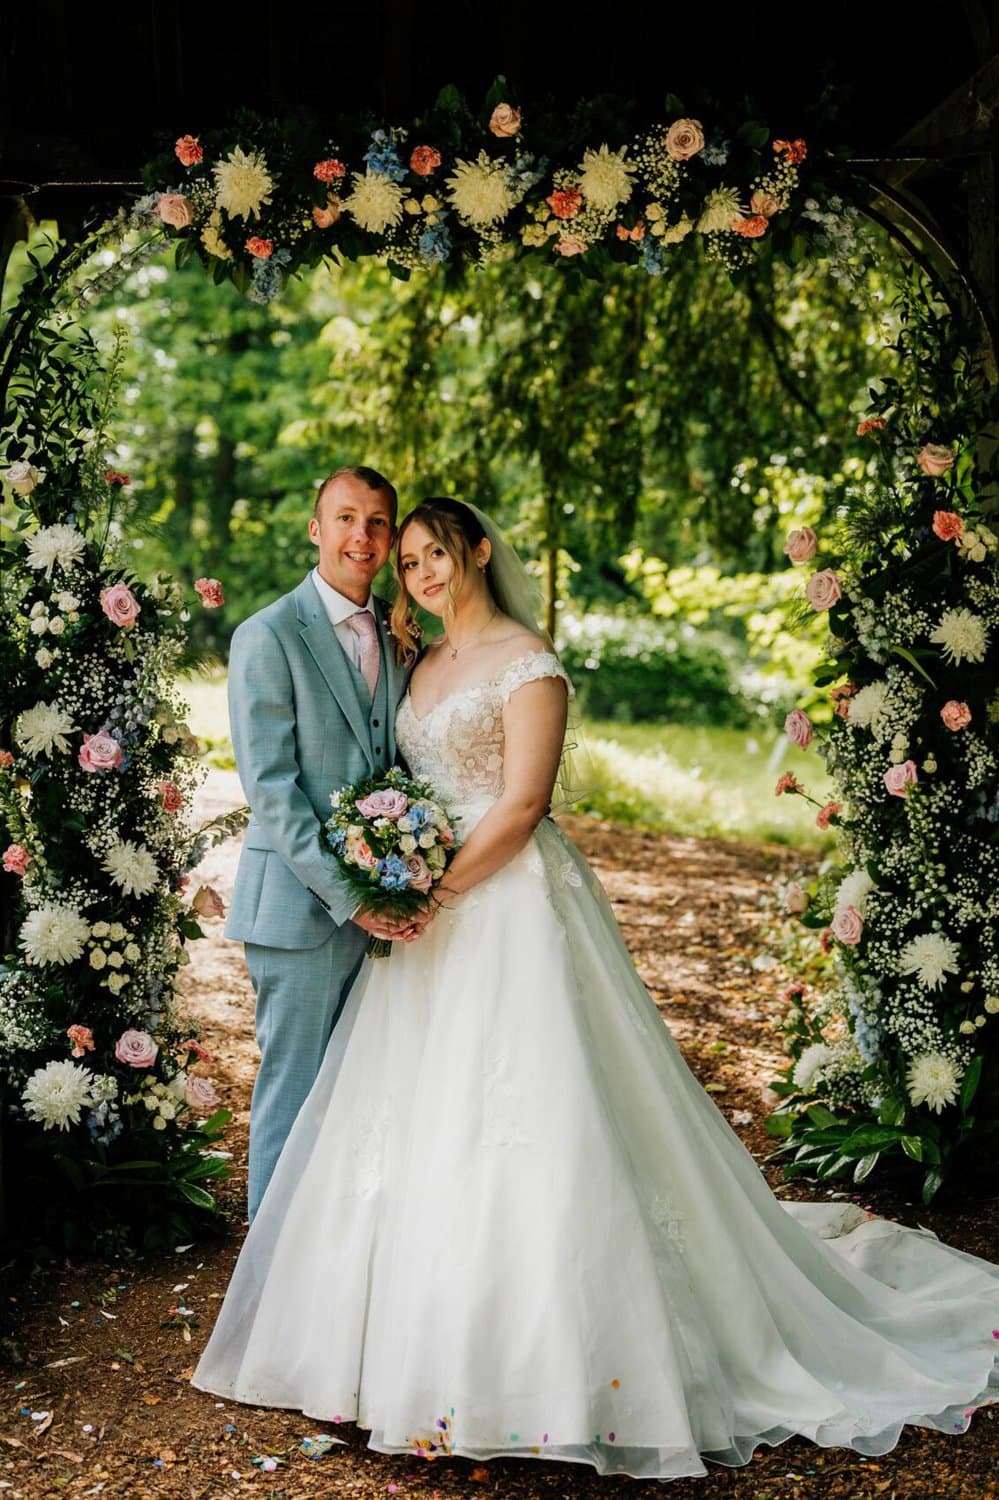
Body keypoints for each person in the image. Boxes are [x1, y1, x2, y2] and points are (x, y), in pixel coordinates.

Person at [195, 498, 999, 1479]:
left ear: (478, 550)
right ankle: (379, 1329)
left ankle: (541, 1364)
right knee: (407, 1119)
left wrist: (436, 886)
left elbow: (524, 802)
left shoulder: (528, 662)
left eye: (431, 552)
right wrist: (398, 878)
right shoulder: (418, 660)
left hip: (504, 910)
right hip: (425, 924)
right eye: (406, 562)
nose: (419, 572)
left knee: (533, 1118)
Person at [224, 465, 413, 1220]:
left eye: (375, 523)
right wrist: (352, 896)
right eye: (344, 518)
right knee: (294, 1090)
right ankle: (267, 1279)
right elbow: (270, 790)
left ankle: (327, 1264)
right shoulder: (267, 634)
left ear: (391, 538)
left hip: (384, 914)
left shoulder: (402, 636)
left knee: (359, 1093)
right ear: (315, 528)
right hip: (298, 914)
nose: (359, 537)